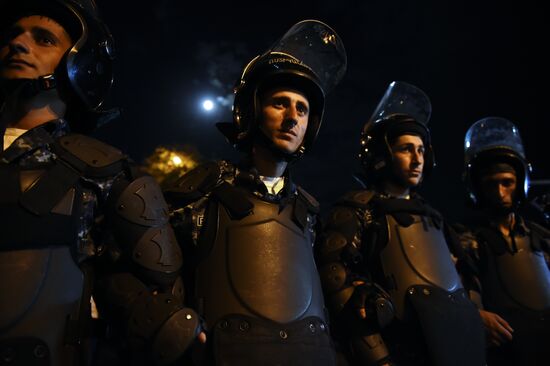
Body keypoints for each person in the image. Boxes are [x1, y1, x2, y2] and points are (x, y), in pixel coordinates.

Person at [0, 1, 202, 365]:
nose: (17, 43)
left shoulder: (105, 171)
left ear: (79, 65)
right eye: (13, 35)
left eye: (42, 39)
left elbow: (158, 296)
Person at [164, 20, 347, 366]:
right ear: (251, 110)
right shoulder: (202, 191)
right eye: (280, 103)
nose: (292, 118)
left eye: (302, 109)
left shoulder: (308, 212)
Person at [316, 81, 486, 366]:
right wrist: (379, 358)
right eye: (406, 149)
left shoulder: (434, 217)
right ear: (383, 156)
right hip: (397, 349)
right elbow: (336, 283)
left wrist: (475, 326)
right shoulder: (358, 209)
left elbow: (467, 279)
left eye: (421, 150)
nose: (417, 159)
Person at [456, 116, 550, 366]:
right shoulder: (467, 241)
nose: (500, 193)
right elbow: (463, 294)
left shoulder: (541, 237)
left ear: (520, 183)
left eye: (507, 183)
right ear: (477, 188)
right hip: (504, 355)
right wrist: (476, 317)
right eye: (491, 184)